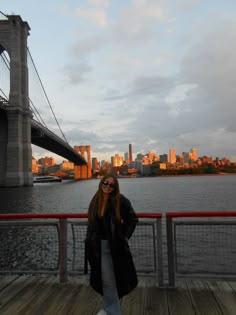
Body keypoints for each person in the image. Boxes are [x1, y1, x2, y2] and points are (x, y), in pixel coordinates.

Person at [85, 173, 138, 315]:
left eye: (111, 185)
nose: (107, 186)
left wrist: (125, 236)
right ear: (101, 183)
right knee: (103, 279)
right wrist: (88, 241)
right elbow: (91, 224)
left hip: (113, 247)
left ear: (115, 188)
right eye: (105, 183)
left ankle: (112, 311)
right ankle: (110, 308)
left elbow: (133, 219)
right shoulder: (95, 201)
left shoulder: (120, 201)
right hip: (97, 247)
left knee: (110, 280)